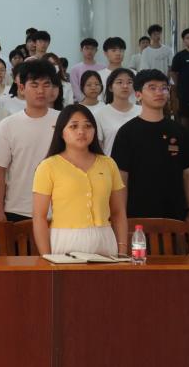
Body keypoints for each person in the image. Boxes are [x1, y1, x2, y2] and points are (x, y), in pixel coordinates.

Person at [32, 104, 128, 256]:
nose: (81, 131)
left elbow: (118, 212)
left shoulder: (108, 164)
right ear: (61, 132)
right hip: (65, 241)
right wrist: (47, 257)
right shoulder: (48, 166)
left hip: (105, 240)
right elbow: (39, 217)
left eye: (88, 126)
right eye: (74, 126)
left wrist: (122, 250)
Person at [112, 70, 189, 220]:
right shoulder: (127, 132)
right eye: (152, 88)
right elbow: (121, 177)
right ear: (138, 95)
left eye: (164, 88)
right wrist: (121, 214)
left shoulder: (179, 131)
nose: (159, 92)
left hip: (176, 213)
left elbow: (187, 173)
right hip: (138, 213)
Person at [0, 59, 61, 222]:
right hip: (18, 209)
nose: (41, 91)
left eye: (46, 85)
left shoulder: (64, 122)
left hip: (59, 209)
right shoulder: (7, 125)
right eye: (34, 85)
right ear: (21, 88)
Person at [94, 68, 139, 156]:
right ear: (110, 87)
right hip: (111, 162)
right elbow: (98, 147)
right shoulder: (100, 114)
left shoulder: (142, 111)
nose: (125, 86)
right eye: (119, 82)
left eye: (129, 82)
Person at [170, 28, 189, 135]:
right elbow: (173, 73)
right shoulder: (179, 56)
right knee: (185, 122)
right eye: (187, 38)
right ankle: (185, 143)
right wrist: (179, 85)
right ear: (184, 41)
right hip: (185, 93)